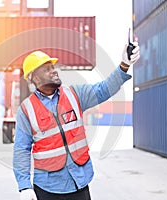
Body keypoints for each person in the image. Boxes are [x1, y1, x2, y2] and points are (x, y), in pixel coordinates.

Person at [13, 41, 140, 200]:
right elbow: (21, 149)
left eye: (53, 67)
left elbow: (103, 89)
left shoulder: (75, 94)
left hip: (79, 183)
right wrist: (24, 186)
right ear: (35, 79)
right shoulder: (26, 110)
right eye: (47, 69)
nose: (54, 71)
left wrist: (124, 65)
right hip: (47, 188)